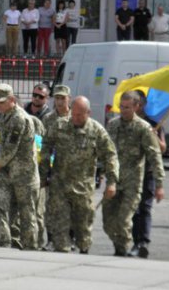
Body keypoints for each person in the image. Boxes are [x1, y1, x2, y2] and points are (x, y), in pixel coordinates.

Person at [41, 95, 118, 254]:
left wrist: (111, 182)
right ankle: (61, 255)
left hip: (83, 188)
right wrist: (43, 174)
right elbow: (46, 146)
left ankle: (83, 255)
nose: (75, 118)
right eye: (73, 113)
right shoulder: (60, 125)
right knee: (59, 231)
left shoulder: (96, 131)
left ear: (88, 113)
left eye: (79, 115)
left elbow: (110, 156)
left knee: (83, 233)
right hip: (59, 186)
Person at [103, 91, 165, 256]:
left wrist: (159, 185)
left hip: (133, 181)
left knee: (124, 219)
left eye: (128, 107)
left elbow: (155, 156)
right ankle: (120, 246)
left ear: (137, 107)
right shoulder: (113, 125)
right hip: (114, 181)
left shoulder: (143, 128)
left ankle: (127, 248)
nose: (124, 110)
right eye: (121, 107)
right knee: (108, 221)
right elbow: (105, 151)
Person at [0, 83, 39, 250]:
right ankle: (3, 246)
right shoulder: (4, 117)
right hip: (6, 174)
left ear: (12, 100)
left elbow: (7, 152)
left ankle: (30, 251)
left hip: (24, 176)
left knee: (26, 217)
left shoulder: (19, 118)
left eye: (2, 102)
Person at [130, 91, 167, 258]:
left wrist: (154, 134)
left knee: (144, 207)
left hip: (148, 171)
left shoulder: (153, 122)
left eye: (137, 103)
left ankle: (142, 242)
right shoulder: (126, 122)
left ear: (142, 104)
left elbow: (163, 148)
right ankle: (134, 241)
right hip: (130, 172)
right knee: (132, 208)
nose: (135, 106)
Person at [40, 84, 73, 249]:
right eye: (57, 98)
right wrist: (44, 173)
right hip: (56, 169)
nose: (59, 102)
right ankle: (51, 239)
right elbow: (44, 147)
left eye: (63, 98)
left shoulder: (77, 117)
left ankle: (70, 238)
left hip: (74, 170)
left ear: (69, 99)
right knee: (52, 206)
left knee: (72, 205)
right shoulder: (48, 119)